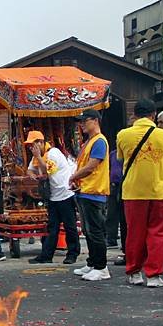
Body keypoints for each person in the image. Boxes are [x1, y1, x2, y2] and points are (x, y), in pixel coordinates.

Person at [117, 99, 163, 287]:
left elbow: (121, 158)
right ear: (153, 115)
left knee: (134, 232)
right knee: (158, 233)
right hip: (159, 190)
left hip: (133, 192)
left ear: (135, 114)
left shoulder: (123, 135)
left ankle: (134, 272)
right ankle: (154, 275)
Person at [26, 131, 80, 265]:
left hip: (65, 194)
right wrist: (32, 173)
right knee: (52, 228)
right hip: (53, 196)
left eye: (33, 145)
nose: (32, 148)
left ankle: (72, 254)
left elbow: (46, 170)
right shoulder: (37, 157)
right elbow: (29, 169)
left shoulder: (53, 153)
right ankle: (46, 255)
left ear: (40, 142)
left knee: (70, 227)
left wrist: (38, 156)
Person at [69, 109, 111, 281]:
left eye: (85, 120)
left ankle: (101, 267)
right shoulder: (90, 141)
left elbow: (92, 165)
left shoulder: (99, 141)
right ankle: (93, 263)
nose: (82, 124)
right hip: (85, 191)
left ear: (95, 120)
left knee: (95, 231)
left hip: (94, 191)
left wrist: (74, 176)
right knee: (88, 230)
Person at [106, 150, 127, 263]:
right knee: (111, 213)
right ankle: (111, 238)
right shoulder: (113, 154)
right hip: (114, 185)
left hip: (124, 185)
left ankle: (126, 248)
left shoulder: (128, 152)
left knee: (124, 218)